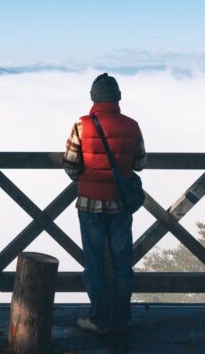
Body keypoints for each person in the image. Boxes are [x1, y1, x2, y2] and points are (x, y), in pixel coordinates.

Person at [62, 73, 146, 336]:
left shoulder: (81, 125)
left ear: (93, 98)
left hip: (90, 204)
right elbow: (139, 163)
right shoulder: (132, 126)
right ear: (118, 97)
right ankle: (122, 318)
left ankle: (98, 318)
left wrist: (85, 179)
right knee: (122, 264)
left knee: (95, 263)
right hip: (121, 204)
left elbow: (71, 163)